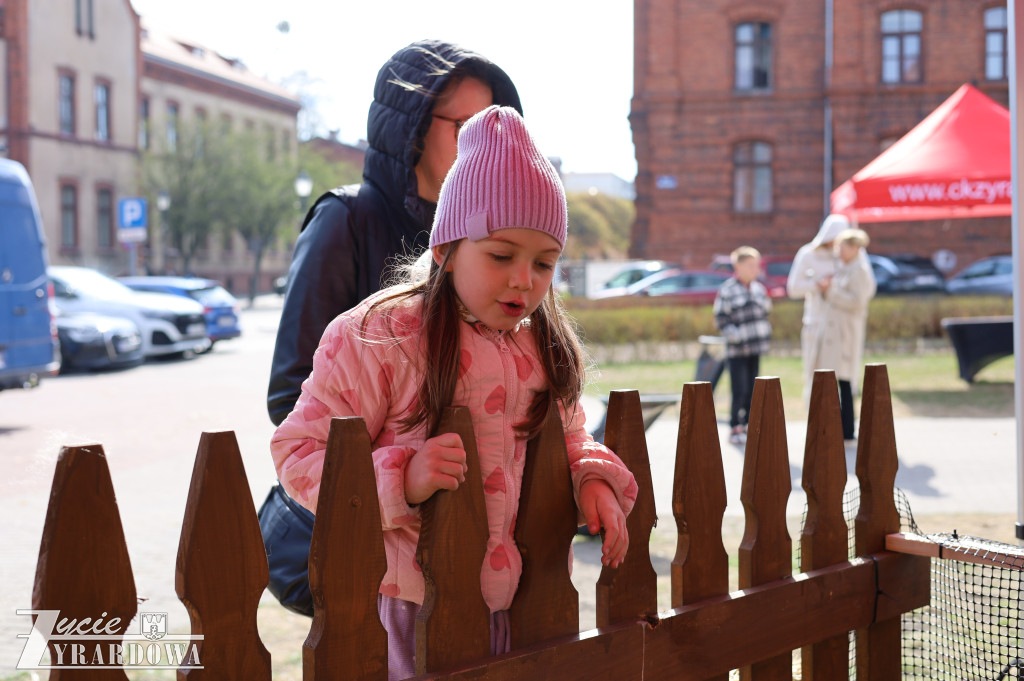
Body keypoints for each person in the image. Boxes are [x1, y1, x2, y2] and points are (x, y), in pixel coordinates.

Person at [270, 106, 638, 679]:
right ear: (444, 248)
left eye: (545, 263)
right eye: (500, 256)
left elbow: (567, 434)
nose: (524, 279)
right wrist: (402, 480)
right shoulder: (378, 336)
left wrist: (593, 477)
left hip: (527, 601)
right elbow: (300, 454)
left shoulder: (541, 343)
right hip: (408, 604)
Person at [267, 39, 523, 427]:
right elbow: (291, 396)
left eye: (490, 131)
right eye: (465, 128)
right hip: (366, 484)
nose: (480, 147)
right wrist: (400, 466)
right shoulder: (345, 218)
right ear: (415, 127)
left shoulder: (489, 236)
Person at [811, 228, 876, 440]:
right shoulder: (844, 268)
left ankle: (847, 428)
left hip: (846, 333)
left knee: (845, 380)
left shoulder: (860, 271)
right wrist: (825, 289)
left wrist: (831, 291)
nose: (839, 251)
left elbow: (857, 302)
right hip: (833, 332)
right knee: (833, 379)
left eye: (843, 247)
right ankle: (835, 424)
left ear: (855, 248)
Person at [786, 213, 851, 406]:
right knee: (815, 373)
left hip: (840, 324)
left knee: (841, 375)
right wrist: (818, 285)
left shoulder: (843, 256)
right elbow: (794, 288)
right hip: (816, 323)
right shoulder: (808, 254)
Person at [713, 246, 772, 445]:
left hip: (755, 348)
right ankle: (735, 426)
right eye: (750, 265)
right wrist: (735, 335)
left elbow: (765, 312)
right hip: (737, 350)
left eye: (756, 265)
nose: (754, 269)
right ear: (737, 266)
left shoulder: (758, 289)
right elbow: (721, 318)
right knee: (739, 388)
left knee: (755, 388)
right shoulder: (728, 290)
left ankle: (749, 424)